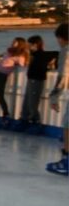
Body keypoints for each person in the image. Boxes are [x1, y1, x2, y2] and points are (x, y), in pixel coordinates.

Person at [15, 35, 59, 134]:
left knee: (32, 103)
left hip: (37, 80)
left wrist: (55, 66)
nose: (28, 46)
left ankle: (36, 122)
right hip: (31, 80)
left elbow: (57, 54)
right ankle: (24, 120)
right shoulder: (33, 54)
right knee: (26, 102)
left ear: (35, 44)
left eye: (29, 44)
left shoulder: (42, 54)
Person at [45, 23, 68, 176]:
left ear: (61, 38)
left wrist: (54, 97)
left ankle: (67, 162)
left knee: (68, 126)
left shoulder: (66, 51)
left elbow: (63, 76)